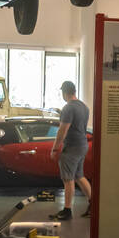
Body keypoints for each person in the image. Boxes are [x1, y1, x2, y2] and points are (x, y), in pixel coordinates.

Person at [49, 81, 91, 221]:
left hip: (72, 147)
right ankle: (93, 205)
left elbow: (63, 130)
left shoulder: (68, 108)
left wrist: (55, 148)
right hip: (82, 145)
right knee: (79, 176)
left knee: (68, 179)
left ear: (64, 92)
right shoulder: (84, 107)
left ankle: (67, 211)